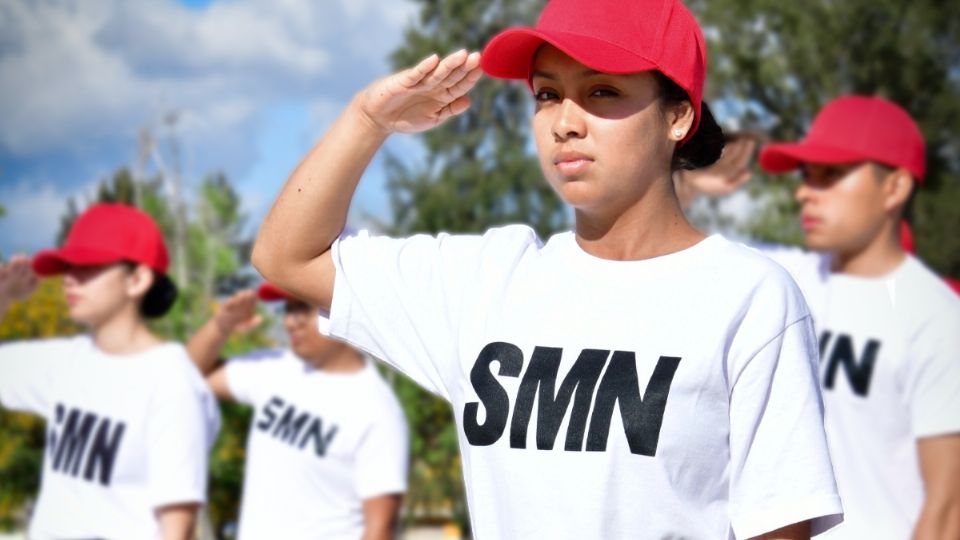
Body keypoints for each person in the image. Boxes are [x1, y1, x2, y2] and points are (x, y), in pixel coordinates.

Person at [251, 0, 844, 537]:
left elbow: (777, 528)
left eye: (602, 92)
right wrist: (367, 120)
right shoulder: (484, 281)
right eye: (547, 94)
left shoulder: (747, 298)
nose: (565, 121)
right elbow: (286, 256)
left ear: (678, 117)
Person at [679, 95, 960, 539]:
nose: (805, 191)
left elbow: (948, 509)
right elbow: (667, 250)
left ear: (895, 188)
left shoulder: (938, 318)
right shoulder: (779, 280)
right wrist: (690, 180)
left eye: (831, 176)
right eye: (807, 176)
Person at [0, 203, 220, 539]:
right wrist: (5, 297)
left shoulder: (173, 381)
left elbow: (178, 527)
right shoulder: (66, 361)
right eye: (67, 266)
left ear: (137, 279)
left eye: (87, 266)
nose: (70, 279)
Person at [186, 283, 408, 540]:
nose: (291, 322)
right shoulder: (275, 367)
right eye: (287, 310)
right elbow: (189, 377)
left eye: (303, 309)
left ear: (346, 310)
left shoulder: (378, 410)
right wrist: (221, 326)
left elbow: (379, 529)